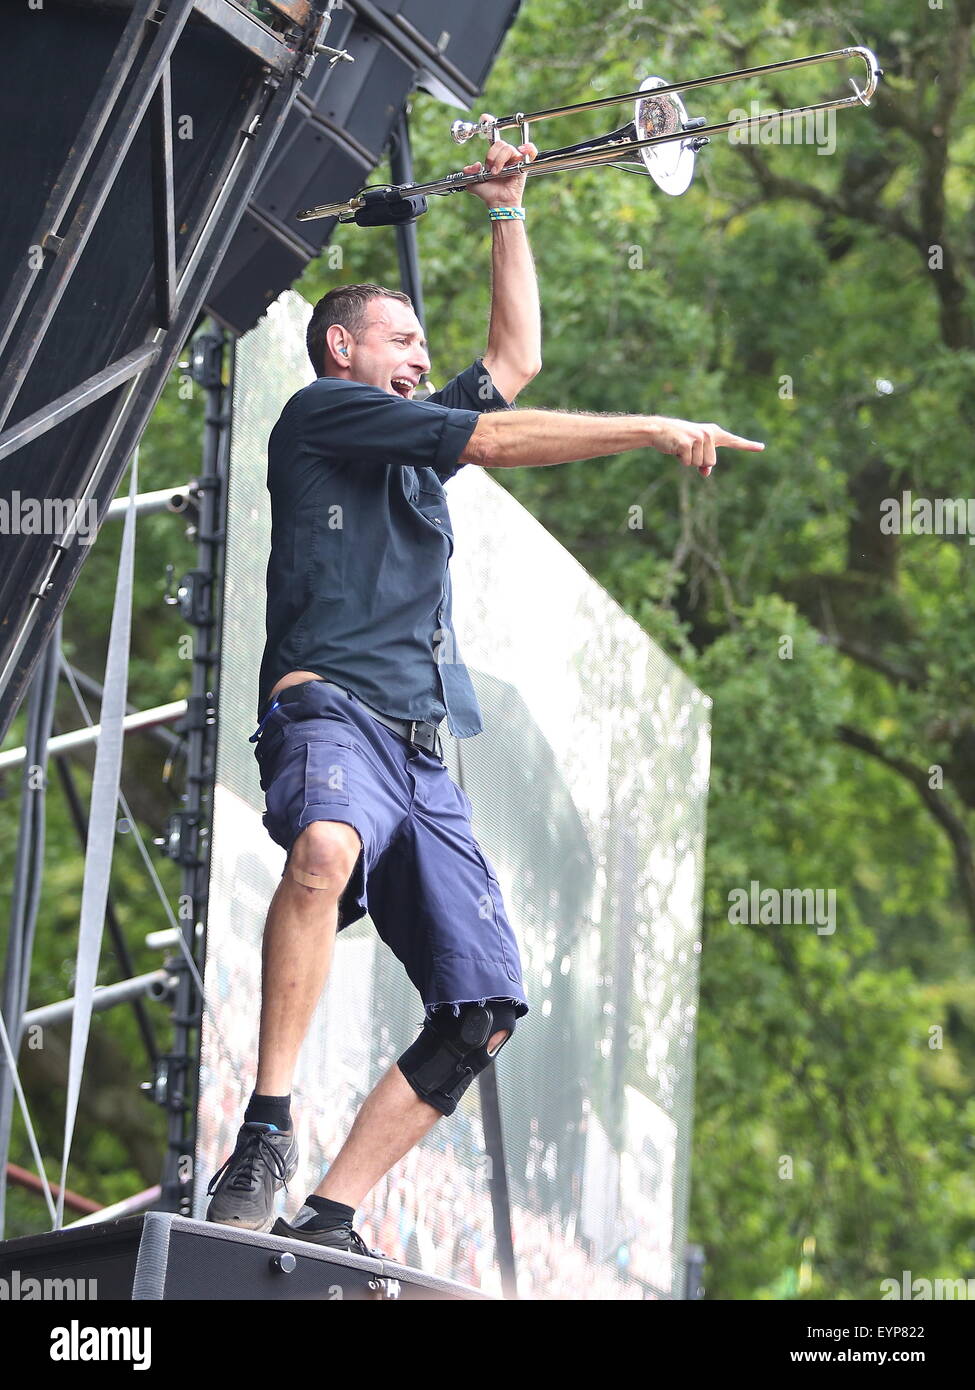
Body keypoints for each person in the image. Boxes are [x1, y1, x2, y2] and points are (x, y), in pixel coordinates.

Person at [205, 128, 764, 1258]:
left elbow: (516, 362)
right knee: (323, 848)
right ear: (340, 347)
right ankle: (265, 1126)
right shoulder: (321, 414)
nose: (422, 355)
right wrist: (654, 425)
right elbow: (501, 430)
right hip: (333, 715)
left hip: (418, 754)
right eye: (402, 340)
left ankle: (332, 1211)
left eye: (422, 345)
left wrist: (508, 206)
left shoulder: (407, 445)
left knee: (483, 1009)